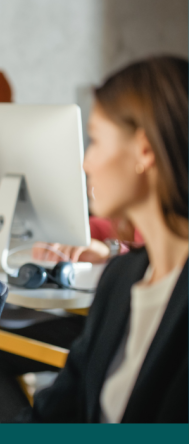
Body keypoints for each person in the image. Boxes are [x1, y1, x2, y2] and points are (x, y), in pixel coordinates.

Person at [26, 56, 188, 423]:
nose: (86, 163)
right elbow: (58, 414)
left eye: (96, 140)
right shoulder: (121, 278)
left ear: (145, 150)